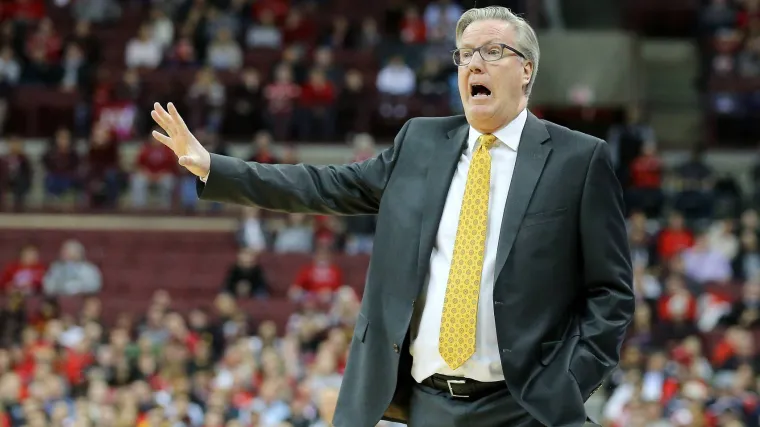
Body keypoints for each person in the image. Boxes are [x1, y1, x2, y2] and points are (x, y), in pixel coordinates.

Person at [150, 6, 634, 427]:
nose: (474, 64)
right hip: (428, 404)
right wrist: (214, 167)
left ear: (526, 70)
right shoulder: (419, 142)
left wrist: (571, 381)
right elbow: (323, 185)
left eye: (491, 52)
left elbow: (611, 293)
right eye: (465, 54)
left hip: (527, 407)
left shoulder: (578, 159)